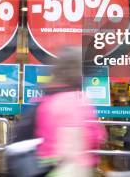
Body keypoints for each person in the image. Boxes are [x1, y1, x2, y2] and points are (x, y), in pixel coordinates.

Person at [35, 47, 106, 177]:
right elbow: (74, 147)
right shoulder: (76, 101)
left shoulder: (48, 99)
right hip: (71, 170)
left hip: (49, 167)